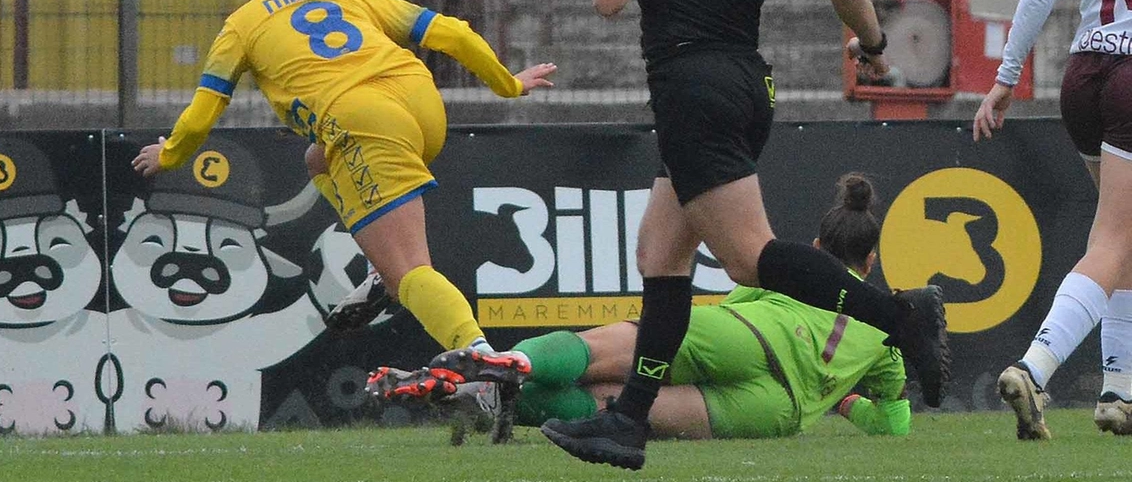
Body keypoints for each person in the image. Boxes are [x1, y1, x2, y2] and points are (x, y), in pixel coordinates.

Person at [536, 0, 948, 470]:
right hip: (746, 85)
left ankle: (901, 316)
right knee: (660, 254)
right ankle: (629, 421)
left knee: (749, 257)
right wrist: (875, 50)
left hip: (688, 87)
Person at [131, 0, 556, 389]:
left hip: (365, 123)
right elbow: (453, 33)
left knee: (411, 272)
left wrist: (170, 154)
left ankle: (478, 352)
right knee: (318, 158)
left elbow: (205, 110)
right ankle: (381, 272)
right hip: (421, 106)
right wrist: (508, 85)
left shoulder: (243, 24)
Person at [375, 173, 909, 444]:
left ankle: (510, 366)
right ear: (872, 260)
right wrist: (841, 403)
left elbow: (741, 292)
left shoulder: (795, 273)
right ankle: (493, 403)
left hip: (749, 330)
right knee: (617, 407)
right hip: (777, 408)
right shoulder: (886, 335)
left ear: (815, 248)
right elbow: (892, 425)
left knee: (606, 355)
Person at [972, 0, 1132, 440]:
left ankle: (1118, 390)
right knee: (1114, 240)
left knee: (1124, 236)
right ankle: (1035, 368)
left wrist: (1006, 78)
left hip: (1084, 76)